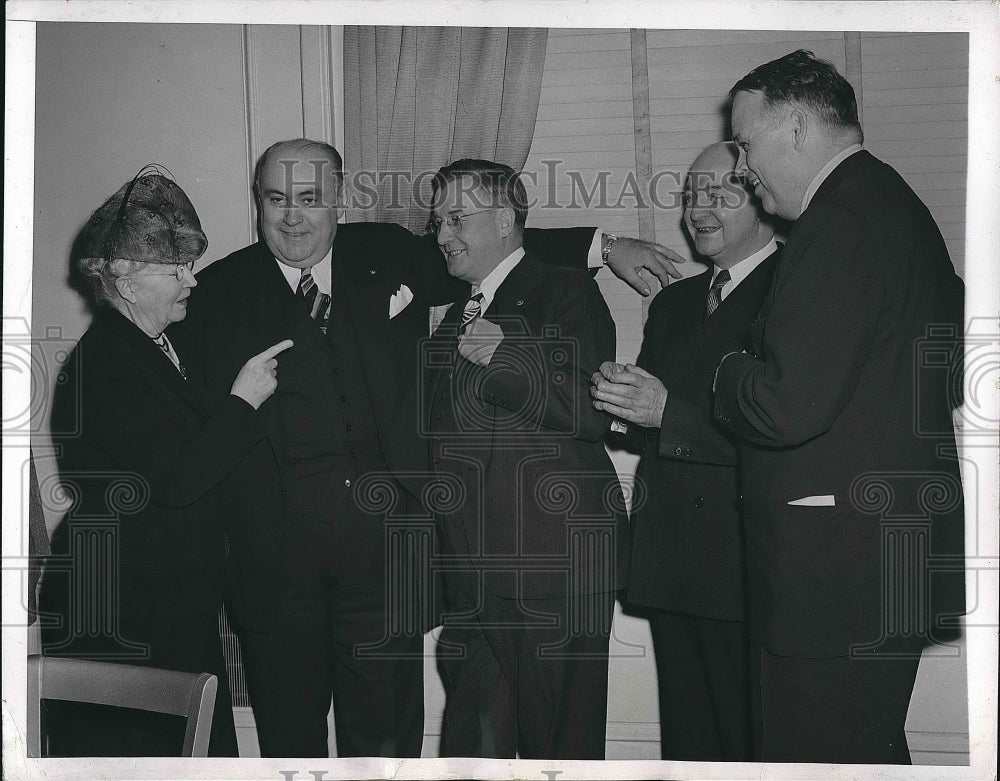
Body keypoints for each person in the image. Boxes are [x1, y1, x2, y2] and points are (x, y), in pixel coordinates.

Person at [172, 138, 682, 758]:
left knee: (391, 744)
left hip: (388, 560)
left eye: (309, 198)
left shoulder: (386, 253)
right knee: (290, 742)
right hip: (276, 567)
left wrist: (606, 246)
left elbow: (500, 247)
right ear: (258, 201)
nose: (292, 216)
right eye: (276, 199)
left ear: (339, 202)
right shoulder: (214, 293)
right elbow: (193, 429)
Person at [714, 50, 965, 763]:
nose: (741, 168)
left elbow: (786, 405)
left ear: (796, 128)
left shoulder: (836, 223)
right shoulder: (896, 203)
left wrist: (728, 372)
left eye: (745, 144)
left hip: (832, 575)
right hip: (885, 560)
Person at [40, 170, 290, 756]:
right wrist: (243, 401)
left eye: (189, 266)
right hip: (120, 612)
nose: (191, 280)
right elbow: (179, 479)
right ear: (124, 280)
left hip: (167, 603)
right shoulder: (107, 363)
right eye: (174, 270)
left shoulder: (155, 344)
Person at [425, 159, 627, 759]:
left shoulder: (568, 289)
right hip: (473, 582)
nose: (441, 234)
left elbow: (592, 407)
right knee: (471, 754)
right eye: (437, 222)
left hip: (551, 573)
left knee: (559, 753)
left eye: (456, 218)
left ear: (505, 220)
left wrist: (508, 353)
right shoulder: (454, 315)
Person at [591, 141, 779, 761]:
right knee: (690, 748)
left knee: (751, 746)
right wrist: (616, 403)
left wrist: (665, 412)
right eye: (692, 194)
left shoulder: (795, 288)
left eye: (720, 193)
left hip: (747, 567)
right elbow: (654, 424)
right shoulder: (672, 302)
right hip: (671, 562)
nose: (699, 209)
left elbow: (784, 427)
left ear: (764, 196)